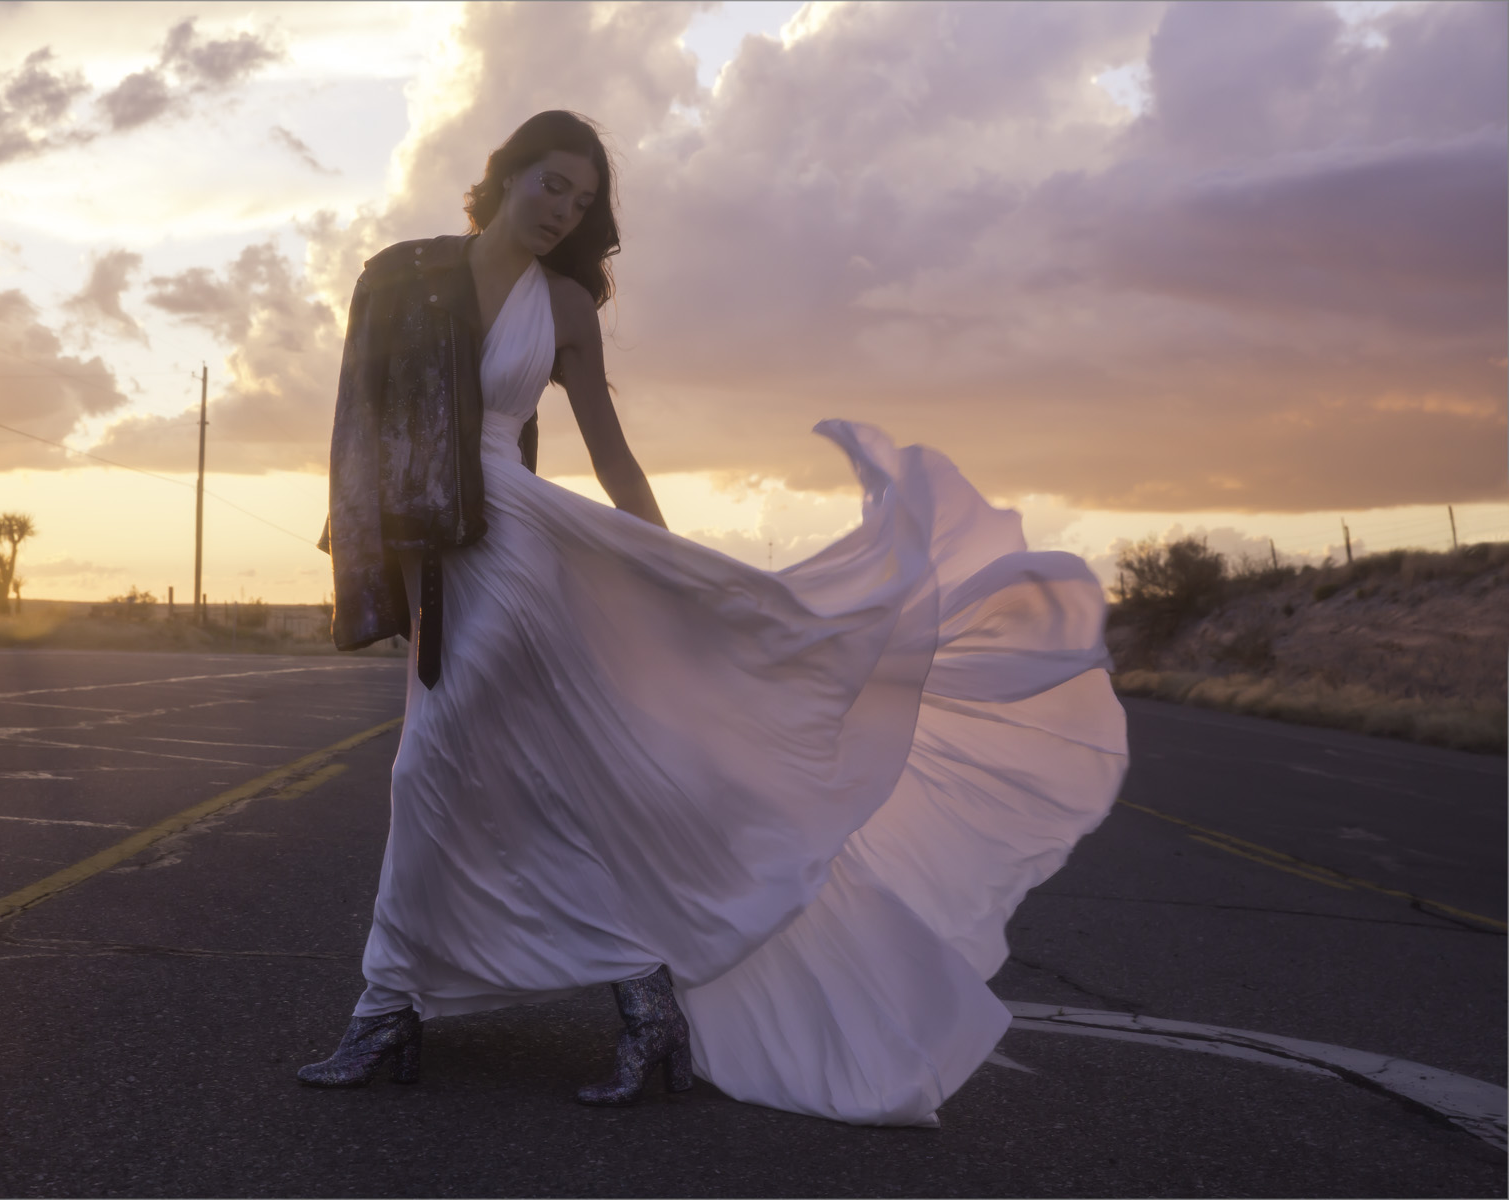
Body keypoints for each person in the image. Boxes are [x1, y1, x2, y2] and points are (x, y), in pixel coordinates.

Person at [300, 110, 1128, 1125]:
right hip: (441, 554)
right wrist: (370, 551)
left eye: (583, 197)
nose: (565, 208)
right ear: (504, 175)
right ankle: (636, 1001)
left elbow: (608, 450)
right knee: (512, 785)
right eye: (551, 183)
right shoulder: (407, 277)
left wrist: (671, 569)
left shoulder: (564, 306)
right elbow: (366, 425)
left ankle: (393, 1011)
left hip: (519, 549)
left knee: (432, 769)